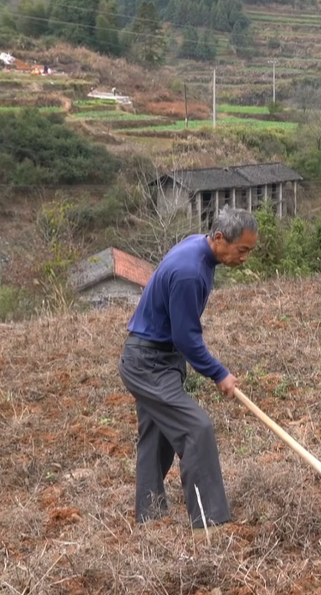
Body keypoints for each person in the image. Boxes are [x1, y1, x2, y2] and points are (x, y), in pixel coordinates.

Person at [118, 206, 258, 529]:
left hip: (160, 359)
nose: (244, 258)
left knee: (156, 438)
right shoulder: (189, 272)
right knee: (197, 429)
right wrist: (219, 373)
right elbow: (186, 338)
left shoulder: (201, 248)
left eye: (249, 251)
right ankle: (210, 522)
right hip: (146, 363)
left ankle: (149, 520)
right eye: (242, 250)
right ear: (220, 238)